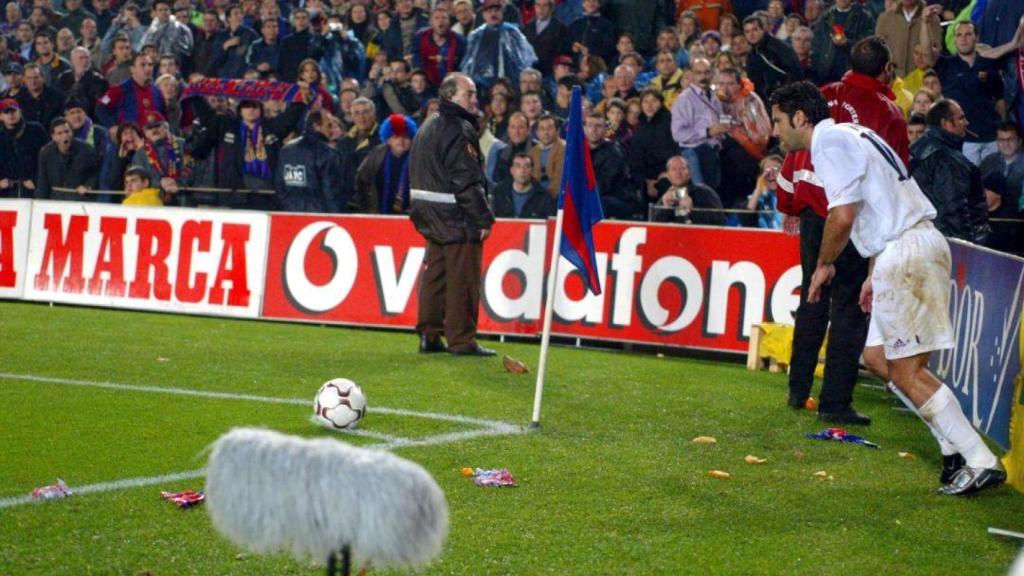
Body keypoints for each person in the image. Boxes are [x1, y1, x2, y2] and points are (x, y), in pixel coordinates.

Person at [771, 80, 1006, 496]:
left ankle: (980, 459)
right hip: (899, 249)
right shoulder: (853, 134)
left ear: (800, 118)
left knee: (907, 371)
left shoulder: (828, 143)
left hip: (907, 249)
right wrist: (872, 272)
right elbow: (880, 201)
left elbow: (842, 215)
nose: (775, 130)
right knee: (878, 357)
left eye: (777, 121)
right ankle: (951, 452)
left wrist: (824, 265)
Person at [408, 72, 496, 356]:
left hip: (428, 212)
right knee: (463, 279)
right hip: (456, 215)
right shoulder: (458, 128)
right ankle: (461, 340)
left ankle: (429, 334)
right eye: (468, 94)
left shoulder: (429, 125)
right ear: (449, 96)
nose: (474, 99)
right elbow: (466, 179)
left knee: (436, 275)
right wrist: (483, 217)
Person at [909, 98, 990, 245]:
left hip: (918, 238)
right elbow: (953, 210)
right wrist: (964, 249)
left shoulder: (916, 148)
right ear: (945, 123)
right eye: (961, 118)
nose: (966, 123)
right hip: (944, 244)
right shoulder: (948, 159)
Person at [670, 57, 726, 188]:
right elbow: (677, 134)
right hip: (693, 152)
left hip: (713, 150)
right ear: (692, 75)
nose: (703, 76)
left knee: (713, 193)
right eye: (699, 73)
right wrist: (707, 131)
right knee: (702, 193)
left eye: (706, 72)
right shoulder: (684, 99)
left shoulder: (714, 96)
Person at [275, 109, 343, 213]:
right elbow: (331, 192)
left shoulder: (287, 149)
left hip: (290, 214)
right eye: (329, 126)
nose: (332, 131)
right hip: (319, 218)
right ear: (316, 126)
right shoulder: (327, 153)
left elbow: (280, 186)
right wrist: (338, 217)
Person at [354, 113, 416, 214]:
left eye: (405, 137)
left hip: (410, 217)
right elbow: (361, 180)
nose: (401, 141)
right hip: (379, 214)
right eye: (396, 137)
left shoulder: (418, 157)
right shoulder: (376, 154)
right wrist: (366, 209)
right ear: (388, 140)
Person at [35, 116, 100, 200]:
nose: (65, 135)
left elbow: (95, 173)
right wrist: (40, 203)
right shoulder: (45, 152)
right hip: (55, 200)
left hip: (79, 198)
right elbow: (42, 182)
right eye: (60, 133)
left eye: (67, 131)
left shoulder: (87, 150)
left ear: (72, 132)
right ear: (53, 136)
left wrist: (88, 186)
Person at [651, 155, 726, 226]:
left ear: (690, 173)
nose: (678, 173)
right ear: (668, 175)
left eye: (683, 168)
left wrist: (693, 210)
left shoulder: (705, 193)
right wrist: (665, 208)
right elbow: (653, 229)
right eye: (673, 169)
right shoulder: (665, 199)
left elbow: (719, 222)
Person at [0, 98, 48, 198]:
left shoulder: (36, 130)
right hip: (7, 192)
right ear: (1, 116)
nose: (11, 115)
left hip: (34, 189)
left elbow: (47, 159)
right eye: (6, 112)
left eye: (14, 111)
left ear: (20, 112)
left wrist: (36, 180)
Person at [489, 152, 554, 218]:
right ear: (512, 171)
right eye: (518, 166)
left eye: (527, 166)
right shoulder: (499, 193)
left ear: (532, 170)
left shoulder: (544, 197)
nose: (522, 171)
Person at [528, 113, 565, 198]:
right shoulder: (533, 152)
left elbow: (560, 180)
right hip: (536, 196)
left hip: (557, 197)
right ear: (537, 133)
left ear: (558, 131)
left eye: (549, 128)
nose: (546, 132)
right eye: (542, 129)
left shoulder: (565, 149)